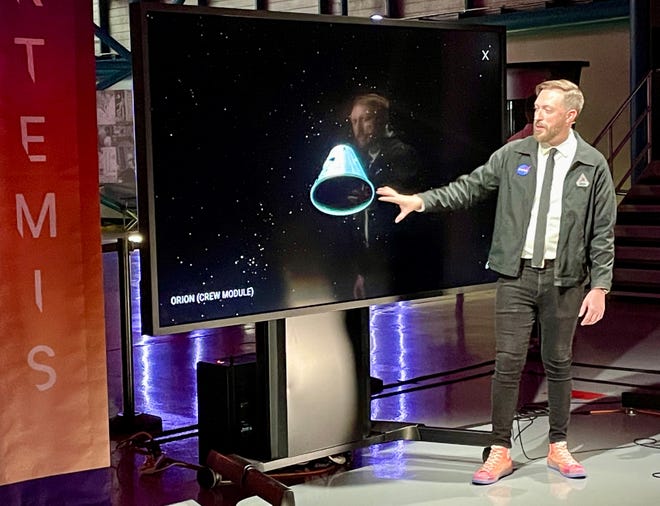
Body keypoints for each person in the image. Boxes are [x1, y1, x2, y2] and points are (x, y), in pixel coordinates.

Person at [377, 79, 617, 485]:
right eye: (536, 108)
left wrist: (600, 286)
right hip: (515, 276)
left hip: (565, 279)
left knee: (558, 363)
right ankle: (500, 450)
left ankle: (559, 446)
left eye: (547, 110)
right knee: (507, 364)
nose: (537, 116)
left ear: (570, 116)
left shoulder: (592, 165)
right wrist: (420, 201)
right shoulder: (514, 154)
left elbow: (603, 231)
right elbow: (469, 188)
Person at [346, 93, 421, 298]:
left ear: (382, 121)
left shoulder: (402, 155)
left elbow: (398, 200)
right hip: (373, 271)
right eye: (354, 121)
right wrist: (362, 272)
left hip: (398, 271)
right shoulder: (361, 161)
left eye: (365, 119)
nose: (358, 129)